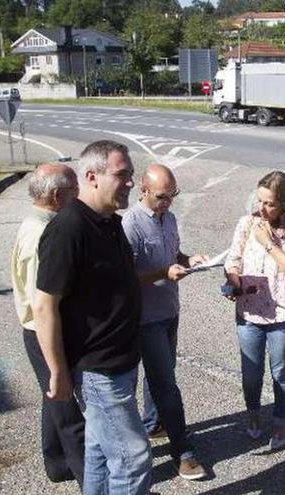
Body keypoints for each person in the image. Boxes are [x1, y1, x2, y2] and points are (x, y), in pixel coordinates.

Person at [33, 140, 151, 495]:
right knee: (133, 458)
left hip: (121, 360)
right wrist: (57, 371)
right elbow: (43, 306)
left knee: (99, 453)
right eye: (122, 174)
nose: (131, 182)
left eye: (131, 174)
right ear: (92, 176)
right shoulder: (68, 229)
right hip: (98, 369)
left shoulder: (109, 222)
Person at [121, 163, 208, 480]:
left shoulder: (168, 217)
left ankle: (154, 423)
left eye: (173, 195)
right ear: (143, 190)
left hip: (170, 311)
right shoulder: (129, 225)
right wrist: (163, 273)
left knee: (159, 373)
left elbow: (172, 253)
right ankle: (182, 452)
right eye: (162, 196)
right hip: (146, 319)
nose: (169, 202)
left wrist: (187, 259)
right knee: (167, 384)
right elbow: (125, 277)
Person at [223, 170, 285, 451]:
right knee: (250, 372)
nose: (262, 208)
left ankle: (280, 419)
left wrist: (269, 243)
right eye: (259, 201)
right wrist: (233, 280)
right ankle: (252, 412)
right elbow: (232, 259)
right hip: (248, 311)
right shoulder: (247, 224)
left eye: (269, 203)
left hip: (283, 314)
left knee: (280, 371)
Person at [11, 163, 84, 485]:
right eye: (74, 191)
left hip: (39, 330)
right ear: (56, 195)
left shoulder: (33, 223)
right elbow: (44, 306)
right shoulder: (46, 236)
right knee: (71, 415)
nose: (79, 196)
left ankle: (57, 465)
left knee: (53, 399)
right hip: (46, 333)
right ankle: (99, 485)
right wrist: (57, 365)